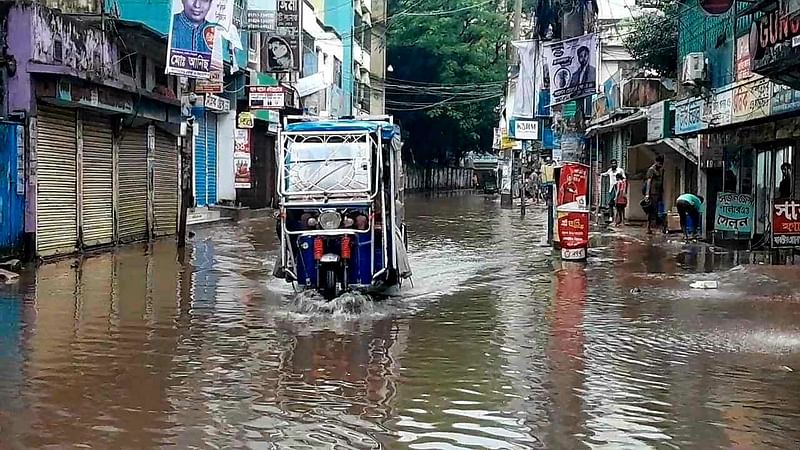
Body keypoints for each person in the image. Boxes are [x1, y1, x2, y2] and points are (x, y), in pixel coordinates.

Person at [644, 154, 665, 235]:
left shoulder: (659, 169)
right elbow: (649, 181)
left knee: (657, 211)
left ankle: (654, 227)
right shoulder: (651, 170)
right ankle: (649, 227)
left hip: (658, 193)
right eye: (660, 163)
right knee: (651, 210)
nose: (660, 165)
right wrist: (647, 194)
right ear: (656, 162)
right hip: (652, 193)